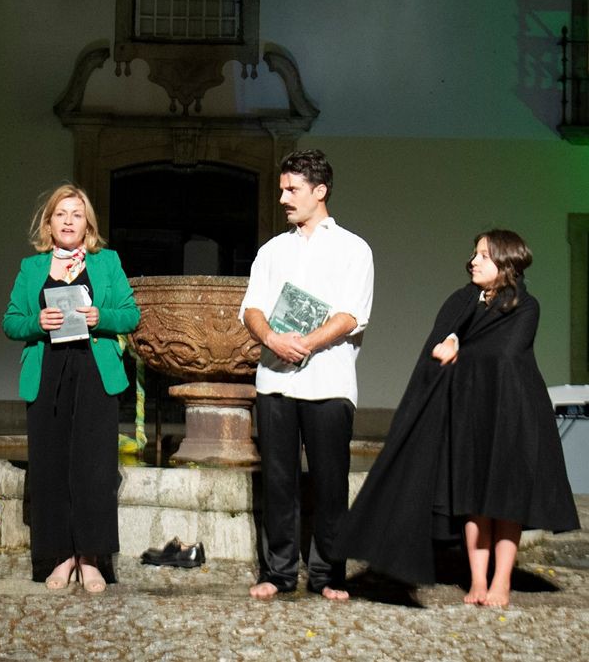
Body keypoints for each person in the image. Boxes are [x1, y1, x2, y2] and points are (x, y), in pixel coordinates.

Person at [336, 230, 579, 607]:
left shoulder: (525, 305)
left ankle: (500, 582)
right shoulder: (463, 301)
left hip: (510, 412)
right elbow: (442, 339)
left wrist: (458, 346)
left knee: (504, 497)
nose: (474, 261)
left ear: (506, 262)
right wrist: (450, 339)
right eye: (475, 253)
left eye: (484, 255)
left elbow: (506, 353)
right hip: (468, 409)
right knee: (471, 496)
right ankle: (477, 581)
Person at [238, 149, 374, 601]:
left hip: (329, 382)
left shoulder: (354, 249)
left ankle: (327, 575)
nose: (282, 197)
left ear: (320, 191)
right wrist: (273, 339)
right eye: (281, 189)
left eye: (291, 189)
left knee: (331, 483)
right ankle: (277, 573)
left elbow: (352, 313)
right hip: (276, 380)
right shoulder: (272, 250)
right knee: (278, 481)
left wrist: (307, 342)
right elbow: (252, 308)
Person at [3, 184, 140, 593]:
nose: (68, 221)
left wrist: (102, 317)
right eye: (60, 214)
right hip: (48, 372)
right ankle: (60, 556)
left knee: (94, 467)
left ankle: (91, 558)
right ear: (49, 223)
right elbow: (10, 321)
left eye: (76, 214)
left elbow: (131, 315)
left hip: (94, 371)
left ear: (88, 223)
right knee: (49, 467)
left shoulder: (107, 262)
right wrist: (35, 323)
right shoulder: (31, 268)